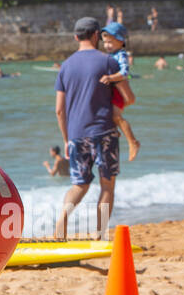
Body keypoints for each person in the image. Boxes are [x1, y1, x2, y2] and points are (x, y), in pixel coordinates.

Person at [54, 16, 133, 240]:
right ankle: (99, 235)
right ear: (97, 35)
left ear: (75, 37)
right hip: (104, 131)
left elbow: (60, 110)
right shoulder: (108, 62)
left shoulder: (66, 67)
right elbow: (128, 97)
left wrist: (67, 139)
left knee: (79, 185)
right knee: (107, 185)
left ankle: (61, 224)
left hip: (77, 135)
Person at [99, 22, 140, 161]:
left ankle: (132, 141)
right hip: (115, 90)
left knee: (116, 115)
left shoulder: (121, 54)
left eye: (110, 42)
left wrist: (110, 77)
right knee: (111, 113)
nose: (107, 46)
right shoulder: (113, 54)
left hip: (117, 90)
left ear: (121, 41)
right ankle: (117, 130)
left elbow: (124, 73)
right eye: (105, 42)